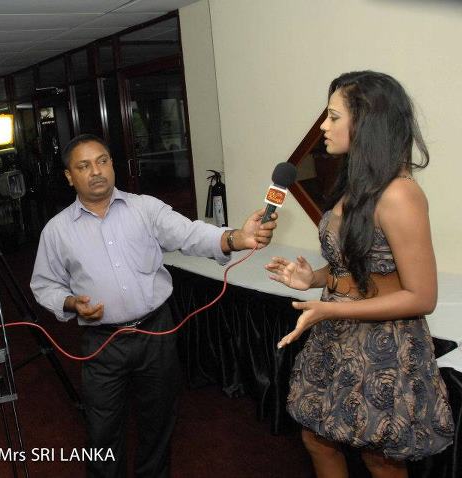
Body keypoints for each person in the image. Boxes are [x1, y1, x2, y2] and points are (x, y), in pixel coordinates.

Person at [30, 134, 278, 477]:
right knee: (102, 430)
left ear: (112, 164)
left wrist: (235, 237)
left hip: (156, 333)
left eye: (102, 161)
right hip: (102, 343)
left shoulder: (145, 208)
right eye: (83, 166)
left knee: (159, 421)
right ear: (69, 177)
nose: (96, 171)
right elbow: (44, 285)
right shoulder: (56, 231)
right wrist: (70, 302)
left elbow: (190, 234)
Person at [265, 71, 453, 478]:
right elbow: (355, 268)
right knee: (317, 439)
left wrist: (331, 310)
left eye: (333, 117)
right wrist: (314, 279)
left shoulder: (399, 194)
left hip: (382, 346)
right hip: (338, 336)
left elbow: (422, 297)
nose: (323, 126)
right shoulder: (356, 183)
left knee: (378, 457)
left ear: (367, 123)